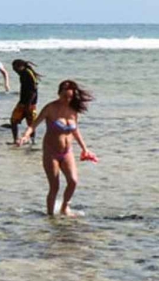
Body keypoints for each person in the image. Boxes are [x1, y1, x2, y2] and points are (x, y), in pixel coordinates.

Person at [17, 80, 99, 217]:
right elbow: (33, 125)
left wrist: (85, 148)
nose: (67, 100)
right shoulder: (50, 108)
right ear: (58, 93)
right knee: (54, 186)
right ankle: (50, 217)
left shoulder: (73, 110)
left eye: (70, 97)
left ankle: (64, 207)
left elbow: (75, 130)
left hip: (67, 152)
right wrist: (25, 136)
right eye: (64, 96)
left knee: (73, 181)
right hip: (51, 152)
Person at [8, 60, 40, 145]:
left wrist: (28, 104)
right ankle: (16, 140)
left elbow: (33, 90)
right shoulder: (23, 74)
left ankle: (32, 141)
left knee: (30, 123)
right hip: (23, 102)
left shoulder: (27, 73)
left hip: (29, 103)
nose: (14, 70)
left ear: (21, 66)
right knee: (14, 120)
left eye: (15, 68)